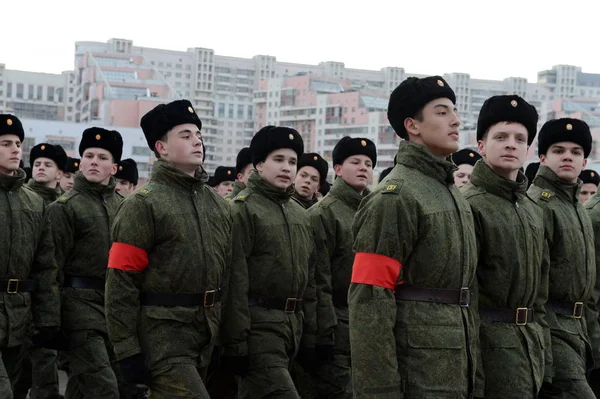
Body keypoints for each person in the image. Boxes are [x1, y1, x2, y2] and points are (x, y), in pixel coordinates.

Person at [348, 76, 481, 398]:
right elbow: (369, 300)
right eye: (441, 112)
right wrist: (379, 389)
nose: (456, 120)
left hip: (456, 362)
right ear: (413, 125)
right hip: (417, 369)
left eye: (455, 110)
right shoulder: (396, 196)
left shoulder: (453, 194)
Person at [105, 99, 232, 398]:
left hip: (206, 334)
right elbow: (120, 282)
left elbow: (227, 273)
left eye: (198, 135)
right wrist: (126, 350)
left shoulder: (217, 205)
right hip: (163, 336)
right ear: (161, 148)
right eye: (185, 136)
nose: (197, 141)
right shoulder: (143, 204)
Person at [461, 95, 551, 397]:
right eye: (500, 137)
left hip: (529, 347)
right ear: (481, 145)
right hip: (489, 348)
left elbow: (540, 292)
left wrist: (544, 354)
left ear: (528, 149)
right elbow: (466, 293)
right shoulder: (469, 205)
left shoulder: (531, 209)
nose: (511, 144)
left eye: (520, 138)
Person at [222, 125, 316, 398]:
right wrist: (236, 341)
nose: (287, 167)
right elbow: (234, 279)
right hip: (257, 329)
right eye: (278, 159)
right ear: (259, 164)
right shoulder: (243, 209)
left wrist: (309, 332)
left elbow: (309, 279)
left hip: (292, 328)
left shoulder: (299, 214)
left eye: (292, 161)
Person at [47, 127, 124, 398]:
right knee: (104, 389)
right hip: (78, 309)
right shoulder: (64, 208)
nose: (93, 161)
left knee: (82, 389)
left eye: (102, 157)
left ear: (114, 167)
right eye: (88, 155)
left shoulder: (126, 208)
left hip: (114, 309)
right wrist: (50, 321)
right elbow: (51, 268)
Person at [528, 118, 600, 398]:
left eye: (576, 152)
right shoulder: (539, 205)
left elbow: (588, 287)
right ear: (543, 157)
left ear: (584, 161)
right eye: (558, 151)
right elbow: (535, 289)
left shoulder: (576, 207)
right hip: (553, 331)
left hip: (577, 330)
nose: (568, 156)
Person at [309, 136, 376, 399]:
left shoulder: (376, 210)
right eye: (355, 162)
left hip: (368, 326)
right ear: (337, 169)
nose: (363, 168)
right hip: (338, 328)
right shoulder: (323, 213)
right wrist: (325, 333)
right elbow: (318, 279)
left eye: (369, 163)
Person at [0, 114, 61, 398]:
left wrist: (47, 321)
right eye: (5, 143)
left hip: (19, 317)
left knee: (15, 387)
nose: (15, 149)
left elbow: (45, 267)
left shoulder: (35, 203)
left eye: (17, 143)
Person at [13, 142, 67, 399]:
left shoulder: (64, 207)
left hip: (49, 301)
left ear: (60, 174)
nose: (41, 168)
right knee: (19, 375)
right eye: (37, 164)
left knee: (45, 377)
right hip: (21, 299)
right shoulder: (21, 200)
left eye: (48, 164)